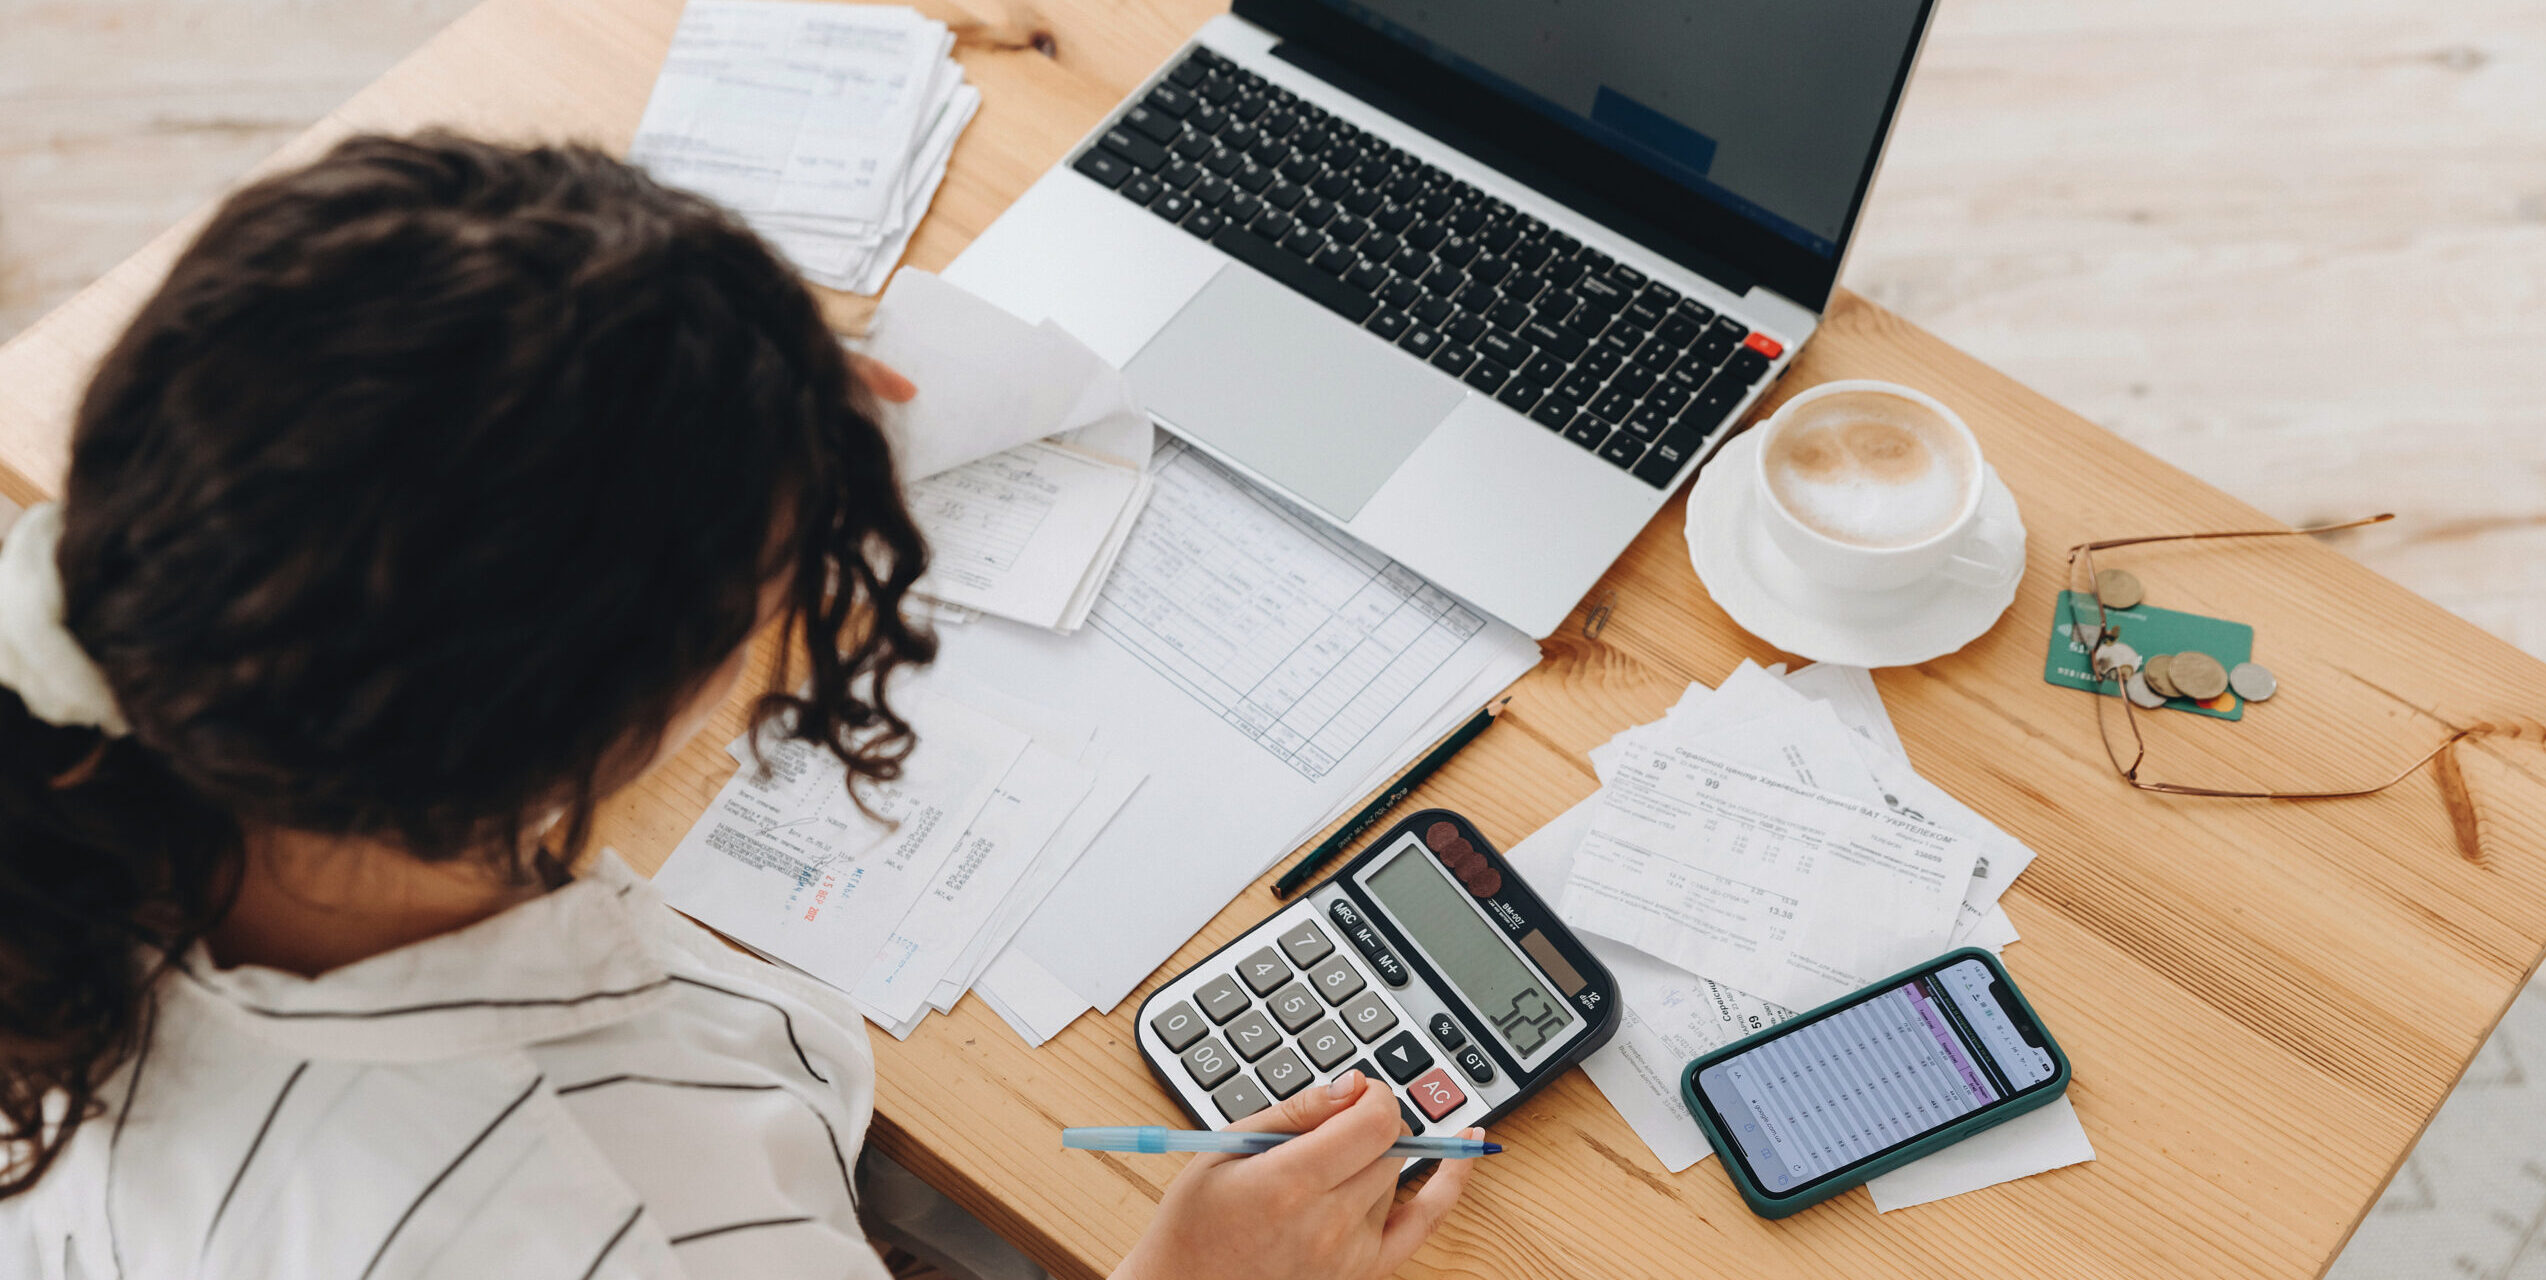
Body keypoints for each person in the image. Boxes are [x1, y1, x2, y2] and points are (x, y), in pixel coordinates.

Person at [0, 133, 1475, 1279]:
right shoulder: (621, 1216)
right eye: (782, 580)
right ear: (595, 720)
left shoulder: (148, 750)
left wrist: (727, 374)